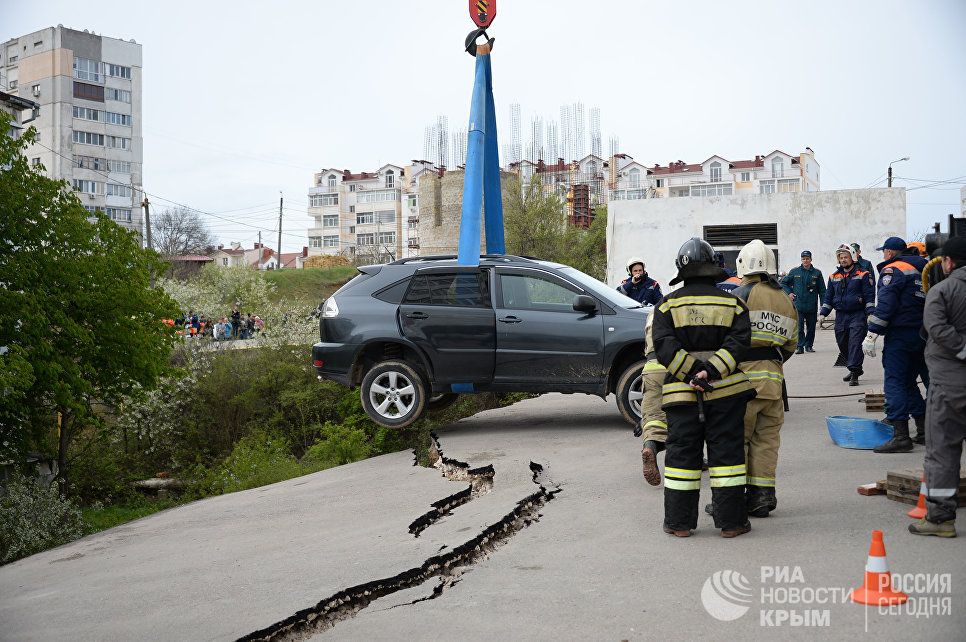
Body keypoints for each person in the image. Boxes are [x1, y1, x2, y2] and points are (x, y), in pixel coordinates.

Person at [652, 237, 755, 538]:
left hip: (680, 396)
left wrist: (692, 375)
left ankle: (679, 524)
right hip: (725, 394)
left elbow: (663, 347)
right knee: (728, 458)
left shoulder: (666, 305)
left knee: (682, 458)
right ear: (713, 269)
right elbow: (739, 345)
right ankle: (732, 524)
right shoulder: (735, 303)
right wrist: (709, 372)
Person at [727, 239, 798, 518]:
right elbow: (791, 345)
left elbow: (724, 337)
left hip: (741, 381)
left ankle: (731, 501)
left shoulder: (739, 295)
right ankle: (762, 497)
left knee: (736, 440)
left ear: (742, 264)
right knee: (767, 442)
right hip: (774, 383)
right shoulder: (785, 299)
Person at [910, 237, 966, 538]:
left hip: (950, 385)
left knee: (943, 450)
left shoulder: (943, 290)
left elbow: (936, 327)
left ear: (948, 262)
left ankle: (940, 519)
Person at [864, 236, 930, 453]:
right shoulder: (925, 269)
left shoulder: (893, 270)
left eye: (884, 252)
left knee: (896, 382)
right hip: (922, 334)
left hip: (900, 335)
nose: (883, 255)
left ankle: (901, 435)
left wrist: (872, 333)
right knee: (912, 382)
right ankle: (923, 431)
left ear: (890, 252)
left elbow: (886, 304)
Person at [819, 244, 875, 386]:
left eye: (846, 257)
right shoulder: (833, 277)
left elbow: (869, 296)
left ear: (853, 257)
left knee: (855, 344)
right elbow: (828, 297)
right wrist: (823, 313)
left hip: (857, 315)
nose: (843, 260)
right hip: (841, 316)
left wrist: (870, 313)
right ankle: (854, 368)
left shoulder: (863, 274)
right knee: (842, 343)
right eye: (841, 257)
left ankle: (855, 372)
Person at [640, 312, 668, 486]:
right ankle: (693, 460)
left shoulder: (652, 312)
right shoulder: (681, 305)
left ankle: (650, 446)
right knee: (682, 417)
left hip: (651, 367)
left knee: (653, 418)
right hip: (674, 364)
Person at [780, 251, 826, 354]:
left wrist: (823, 304)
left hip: (811, 305)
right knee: (799, 328)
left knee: (811, 328)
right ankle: (799, 346)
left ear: (811, 259)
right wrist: (789, 293)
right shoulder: (795, 272)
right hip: (798, 305)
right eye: (803, 258)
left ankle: (809, 345)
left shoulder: (817, 273)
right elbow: (783, 283)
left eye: (807, 258)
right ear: (801, 259)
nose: (805, 260)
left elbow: (822, 290)